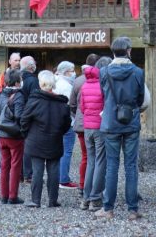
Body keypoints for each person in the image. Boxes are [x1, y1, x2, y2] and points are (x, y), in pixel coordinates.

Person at [95, 36, 150, 221]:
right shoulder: (138, 72)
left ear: (113, 52)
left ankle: (108, 208)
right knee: (131, 165)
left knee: (112, 165)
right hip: (131, 122)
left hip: (110, 122)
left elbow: (104, 95)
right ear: (129, 51)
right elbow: (141, 98)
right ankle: (132, 209)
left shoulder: (103, 72)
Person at [20, 70, 72, 208]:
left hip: (35, 141)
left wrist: (26, 135)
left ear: (40, 83)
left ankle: (36, 200)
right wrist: (58, 132)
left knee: (37, 171)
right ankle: (52, 200)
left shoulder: (34, 101)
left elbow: (24, 120)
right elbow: (67, 124)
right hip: (54, 140)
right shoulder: (62, 104)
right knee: (53, 170)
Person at [80, 56, 111, 211]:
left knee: (91, 162)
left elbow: (82, 107)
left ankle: (85, 198)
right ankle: (95, 198)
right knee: (100, 162)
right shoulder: (103, 85)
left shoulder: (85, 84)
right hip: (100, 127)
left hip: (87, 127)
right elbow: (107, 106)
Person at [71, 53, 100, 197]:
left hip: (81, 123)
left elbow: (72, 104)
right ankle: (94, 186)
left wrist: (77, 116)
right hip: (95, 124)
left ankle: (82, 185)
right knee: (97, 157)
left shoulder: (78, 81)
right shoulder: (101, 80)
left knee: (85, 156)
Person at [0, 68, 26, 204]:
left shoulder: (1, 95)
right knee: (15, 165)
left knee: (4, 165)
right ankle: (12, 196)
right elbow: (19, 115)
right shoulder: (18, 96)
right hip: (14, 135)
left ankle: (3, 195)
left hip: (1, 134)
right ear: (18, 82)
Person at [54, 60, 78, 190]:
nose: (74, 73)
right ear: (65, 72)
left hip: (54, 122)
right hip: (67, 122)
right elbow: (71, 105)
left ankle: (56, 177)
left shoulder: (54, 82)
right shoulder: (67, 86)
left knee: (57, 150)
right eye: (72, 70)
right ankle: (63, 179)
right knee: (66, 151)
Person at [20, 55, 39, 183]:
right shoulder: (33, 81)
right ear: (32, 67)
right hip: (30, 116)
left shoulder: (19, 78)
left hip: (20, 114)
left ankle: (21, 173)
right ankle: (28, 174)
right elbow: (34, 100)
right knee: (29, 145)